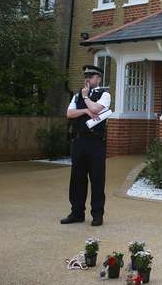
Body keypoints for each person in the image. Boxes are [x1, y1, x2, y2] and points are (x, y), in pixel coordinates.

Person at [60, 64, 112, 227]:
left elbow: (96, 108)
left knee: (97, 179)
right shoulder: (77, 96)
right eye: (86, 77)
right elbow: (69, 114)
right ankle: (76, 213)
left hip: (96, 142)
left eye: (91, 76)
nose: (88, 79)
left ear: (98, 79)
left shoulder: (105, 94)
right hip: (79, 141)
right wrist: (84, 111)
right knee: (77, 179)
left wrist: (87, 99)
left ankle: (97, 215)